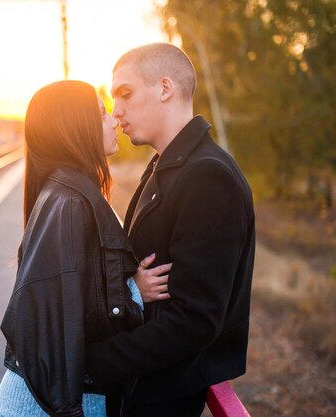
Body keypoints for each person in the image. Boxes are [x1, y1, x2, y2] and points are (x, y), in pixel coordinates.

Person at [84, 43, 255, 417]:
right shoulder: (169, 165)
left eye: (125, 94)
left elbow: (195, 320)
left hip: (163, 396)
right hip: (143, 385)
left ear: (165, 88)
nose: (117, 111)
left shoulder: (208, 175)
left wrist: (95, 362)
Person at [0, 80, 171, 417]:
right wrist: (134, 290)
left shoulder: (66, 192)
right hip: (43, 406)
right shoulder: (71, 202)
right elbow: (60, 312)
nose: (114, 119)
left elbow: (72, 293)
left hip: (38, 399)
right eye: (102, 113)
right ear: (77, 126)